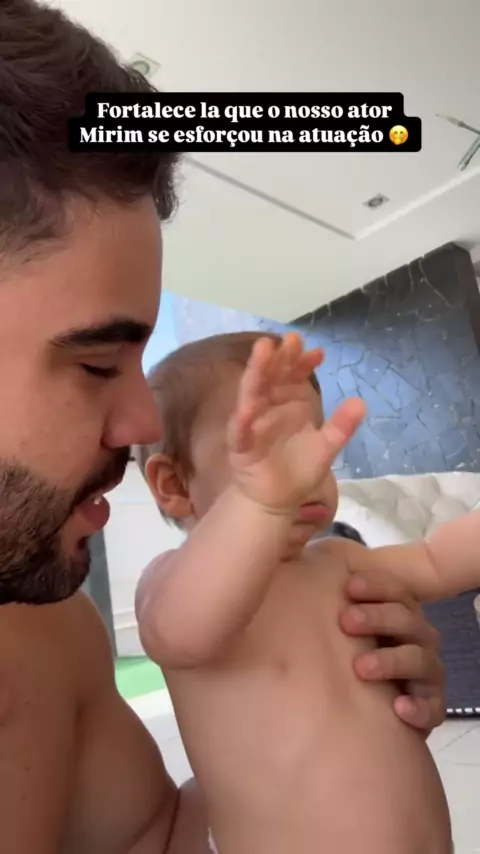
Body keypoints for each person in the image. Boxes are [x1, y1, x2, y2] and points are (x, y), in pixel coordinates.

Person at [0, 1, 444, 852]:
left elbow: (159, 837)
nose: (140, 422)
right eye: (96, 363)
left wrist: (338, 745)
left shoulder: (47, 634)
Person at [135, 331, 456, 854]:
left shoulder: (339, 561)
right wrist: (260, 504)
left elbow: (436, 558)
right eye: (271, 451)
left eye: (314, 449)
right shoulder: (173, 584)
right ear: (174, 485)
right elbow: (176, 634)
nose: (305, 475)